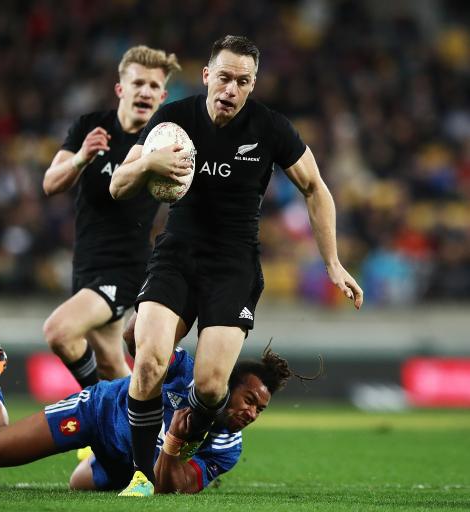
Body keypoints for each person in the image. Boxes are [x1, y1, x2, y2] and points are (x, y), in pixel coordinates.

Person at [109, 35, 364, 495]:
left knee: (209, 388)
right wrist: (148, 162)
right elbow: (118, 186)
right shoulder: (173, 121)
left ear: (252, 85)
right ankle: (142, 475)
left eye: (242, 81)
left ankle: (184, 440)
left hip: (233, 266)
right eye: (224, 77)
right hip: (177, 255)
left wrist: (332, 262)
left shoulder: (270, 127)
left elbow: (315, 188)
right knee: (148, 364)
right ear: (206, 76)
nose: (231, 88)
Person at [0, 339, 300, 494]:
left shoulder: (228, 446)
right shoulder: (185, 367)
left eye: (260, 410)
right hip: (99, 413)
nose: (251, 413)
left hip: (130, 463)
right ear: (223, 382)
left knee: (78, 486)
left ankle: (96, 456)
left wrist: (172, 443)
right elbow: (138, 342)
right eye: (249, 399)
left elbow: (174, 486)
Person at [41, 46, 181, 388]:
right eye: (138, 83)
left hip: (125, 267)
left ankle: (96, 416)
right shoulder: (91, 127)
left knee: (59, 332)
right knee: (109, 363)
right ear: (121, 89)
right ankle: (147, 432)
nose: (145, 91)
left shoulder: (160, 144)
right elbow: (50, 183)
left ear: (162, 96)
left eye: (153, 86)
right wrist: (81, 158)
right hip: (87, 263)